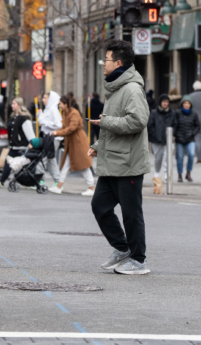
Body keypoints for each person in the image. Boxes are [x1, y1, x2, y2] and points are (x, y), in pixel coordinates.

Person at [88, 40, 150, 275]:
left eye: (107, 59)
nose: (103, 63)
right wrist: (97, 145)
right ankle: (122, 249)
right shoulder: (116, 88)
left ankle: (138, 260)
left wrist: (105, 122)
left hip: (129, 163)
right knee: (99, 207)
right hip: (112, 160)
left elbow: (137, 121)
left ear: (119, 63)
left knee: (131, 213)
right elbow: (113, 124)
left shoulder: (132, 89)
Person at [51, 93, 95, 196]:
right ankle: (59, 186)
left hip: (78, 142)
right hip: (73, 142)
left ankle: (91, 188)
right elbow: (65, 127)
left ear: (66, 104)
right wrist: (56, 132)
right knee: (68, 164)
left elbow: (71, 128)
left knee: (83, 166)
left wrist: (57, 133)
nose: (60, 106)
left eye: (61, 104)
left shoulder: (73, 113)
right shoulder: (66, 112)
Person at [0, 97, 35, 188]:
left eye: (14, 104)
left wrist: (32, 142)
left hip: (20, 146)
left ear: (19, 105)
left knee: (13, 163)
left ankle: (2, 181)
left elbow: (29, 132)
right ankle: (2, 181)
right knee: (11, 163)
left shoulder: (24, 118)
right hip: (14, 146)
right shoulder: (14, 117)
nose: (12, 105)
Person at [147, 94, 174, 194]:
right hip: (156, 140)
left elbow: (175, 124)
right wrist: (154, 136)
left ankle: (167, 175)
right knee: (158, 157)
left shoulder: (172, 113)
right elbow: (150, 125)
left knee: (168, 157)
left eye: (167, 102)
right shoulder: (154, 113)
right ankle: (157, 173)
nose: (165, 103)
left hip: (168, 139)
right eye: (164, 102)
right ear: (160, 102)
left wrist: (172, 134)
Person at [38, 90, 63, 187]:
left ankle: (41, 180)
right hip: (47, 138)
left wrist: (43, 121)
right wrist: (41, 117)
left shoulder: (53, 110)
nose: (43, 100)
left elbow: (58, 125)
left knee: (44, 159)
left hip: (52, 139)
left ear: (50, 99)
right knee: (50, 160)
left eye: (45, 98)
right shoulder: (47, 109)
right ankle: (57, 181)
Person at [173, 96, 200, 183]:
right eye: (185, 103)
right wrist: (176, 134)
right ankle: (180, 175)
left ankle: (188, 173)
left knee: (191, 154)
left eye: (188, 103)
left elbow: (198, 126)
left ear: (190, 104)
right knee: (180, 157)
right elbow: (174, 125)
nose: (186, 105)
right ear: (182, 104)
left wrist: (192, 133)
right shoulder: (177, 113)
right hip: (179, 139)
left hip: (190, 138)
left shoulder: (194, 114)